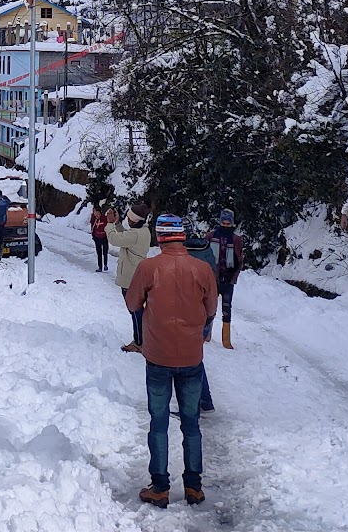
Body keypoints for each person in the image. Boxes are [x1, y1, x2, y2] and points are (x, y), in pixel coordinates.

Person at [125, 213, 218, 508]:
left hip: (158, 357)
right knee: (191, 423)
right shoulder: (202, 269)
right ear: (182, 235)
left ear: (159, 237)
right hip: (191, 357)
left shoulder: (148, 267)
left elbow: (132, 303)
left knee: (159, 422)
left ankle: (160, 487)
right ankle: (194, 487)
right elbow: (211, 308)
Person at [106, 200, 153, 351]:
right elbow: (125, 237)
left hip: (130, 278)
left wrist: (110, 224)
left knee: (135, 310)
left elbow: (114, 239)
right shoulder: (143, 231)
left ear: (136, 220)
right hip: (137, 276)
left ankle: (139, 342)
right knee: (138, 310)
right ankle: (143, 338)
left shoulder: (135, 234)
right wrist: (118, 224)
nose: (128, 220)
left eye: (130, 219)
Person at [183, 224, 218, 412]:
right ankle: (205, 401)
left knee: (189, 362)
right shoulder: (206, 249)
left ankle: (194, 405)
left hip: (191, 315)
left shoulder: (185, 257)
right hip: (205, 313)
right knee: (194, 359)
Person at [210, 209, 244, 348]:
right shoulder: (211, 236)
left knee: (226, 309)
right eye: (223, 223)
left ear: (232, 223)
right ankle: (206, 335)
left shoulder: (236, 240)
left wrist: (233, 277)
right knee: (209, 308)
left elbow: (240, 261)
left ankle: (226, 340)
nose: (225, 225)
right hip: (213, 278)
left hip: (228, 279)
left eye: (228, 223)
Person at [89, 205, 111, 272]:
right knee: (99, 252)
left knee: (105, 251)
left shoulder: (104, 218)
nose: (93, 213)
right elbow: (92, 227)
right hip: (97, 238)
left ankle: (105, 265)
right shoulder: (94, 219)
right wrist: (93, 236)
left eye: (94, 211)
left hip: (104, 237)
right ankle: (100, 267)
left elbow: (108, 226)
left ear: (98, 211)